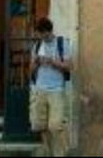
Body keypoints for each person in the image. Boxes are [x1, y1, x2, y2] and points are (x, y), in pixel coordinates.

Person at [29, 16, 73, 158]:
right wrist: (35, 62)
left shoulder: (62, 44)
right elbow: (30, 70)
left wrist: (52, 62)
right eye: (39, 34)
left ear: (48, 32)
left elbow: (69, 66)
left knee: (56, 126)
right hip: (40, 89)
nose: (40, 37)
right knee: (40, 125)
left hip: (56, 90)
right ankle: (48, 152)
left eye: (42, 34)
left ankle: (60, 153)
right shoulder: (37, 46)